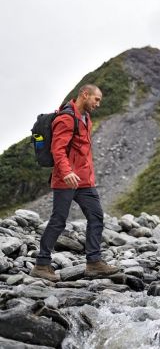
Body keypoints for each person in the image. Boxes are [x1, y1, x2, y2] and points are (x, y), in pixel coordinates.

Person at [30, 84, 119, 282]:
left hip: (85, 181)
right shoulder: (66, 119)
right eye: (96, 99)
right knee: (58, 221)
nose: (98, 104)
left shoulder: (86, 118)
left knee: (96, 217)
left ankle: (94, 263)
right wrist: (67, 172)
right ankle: (41, 264)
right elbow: (57, 149)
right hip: (66, 180)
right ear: (84, 95)